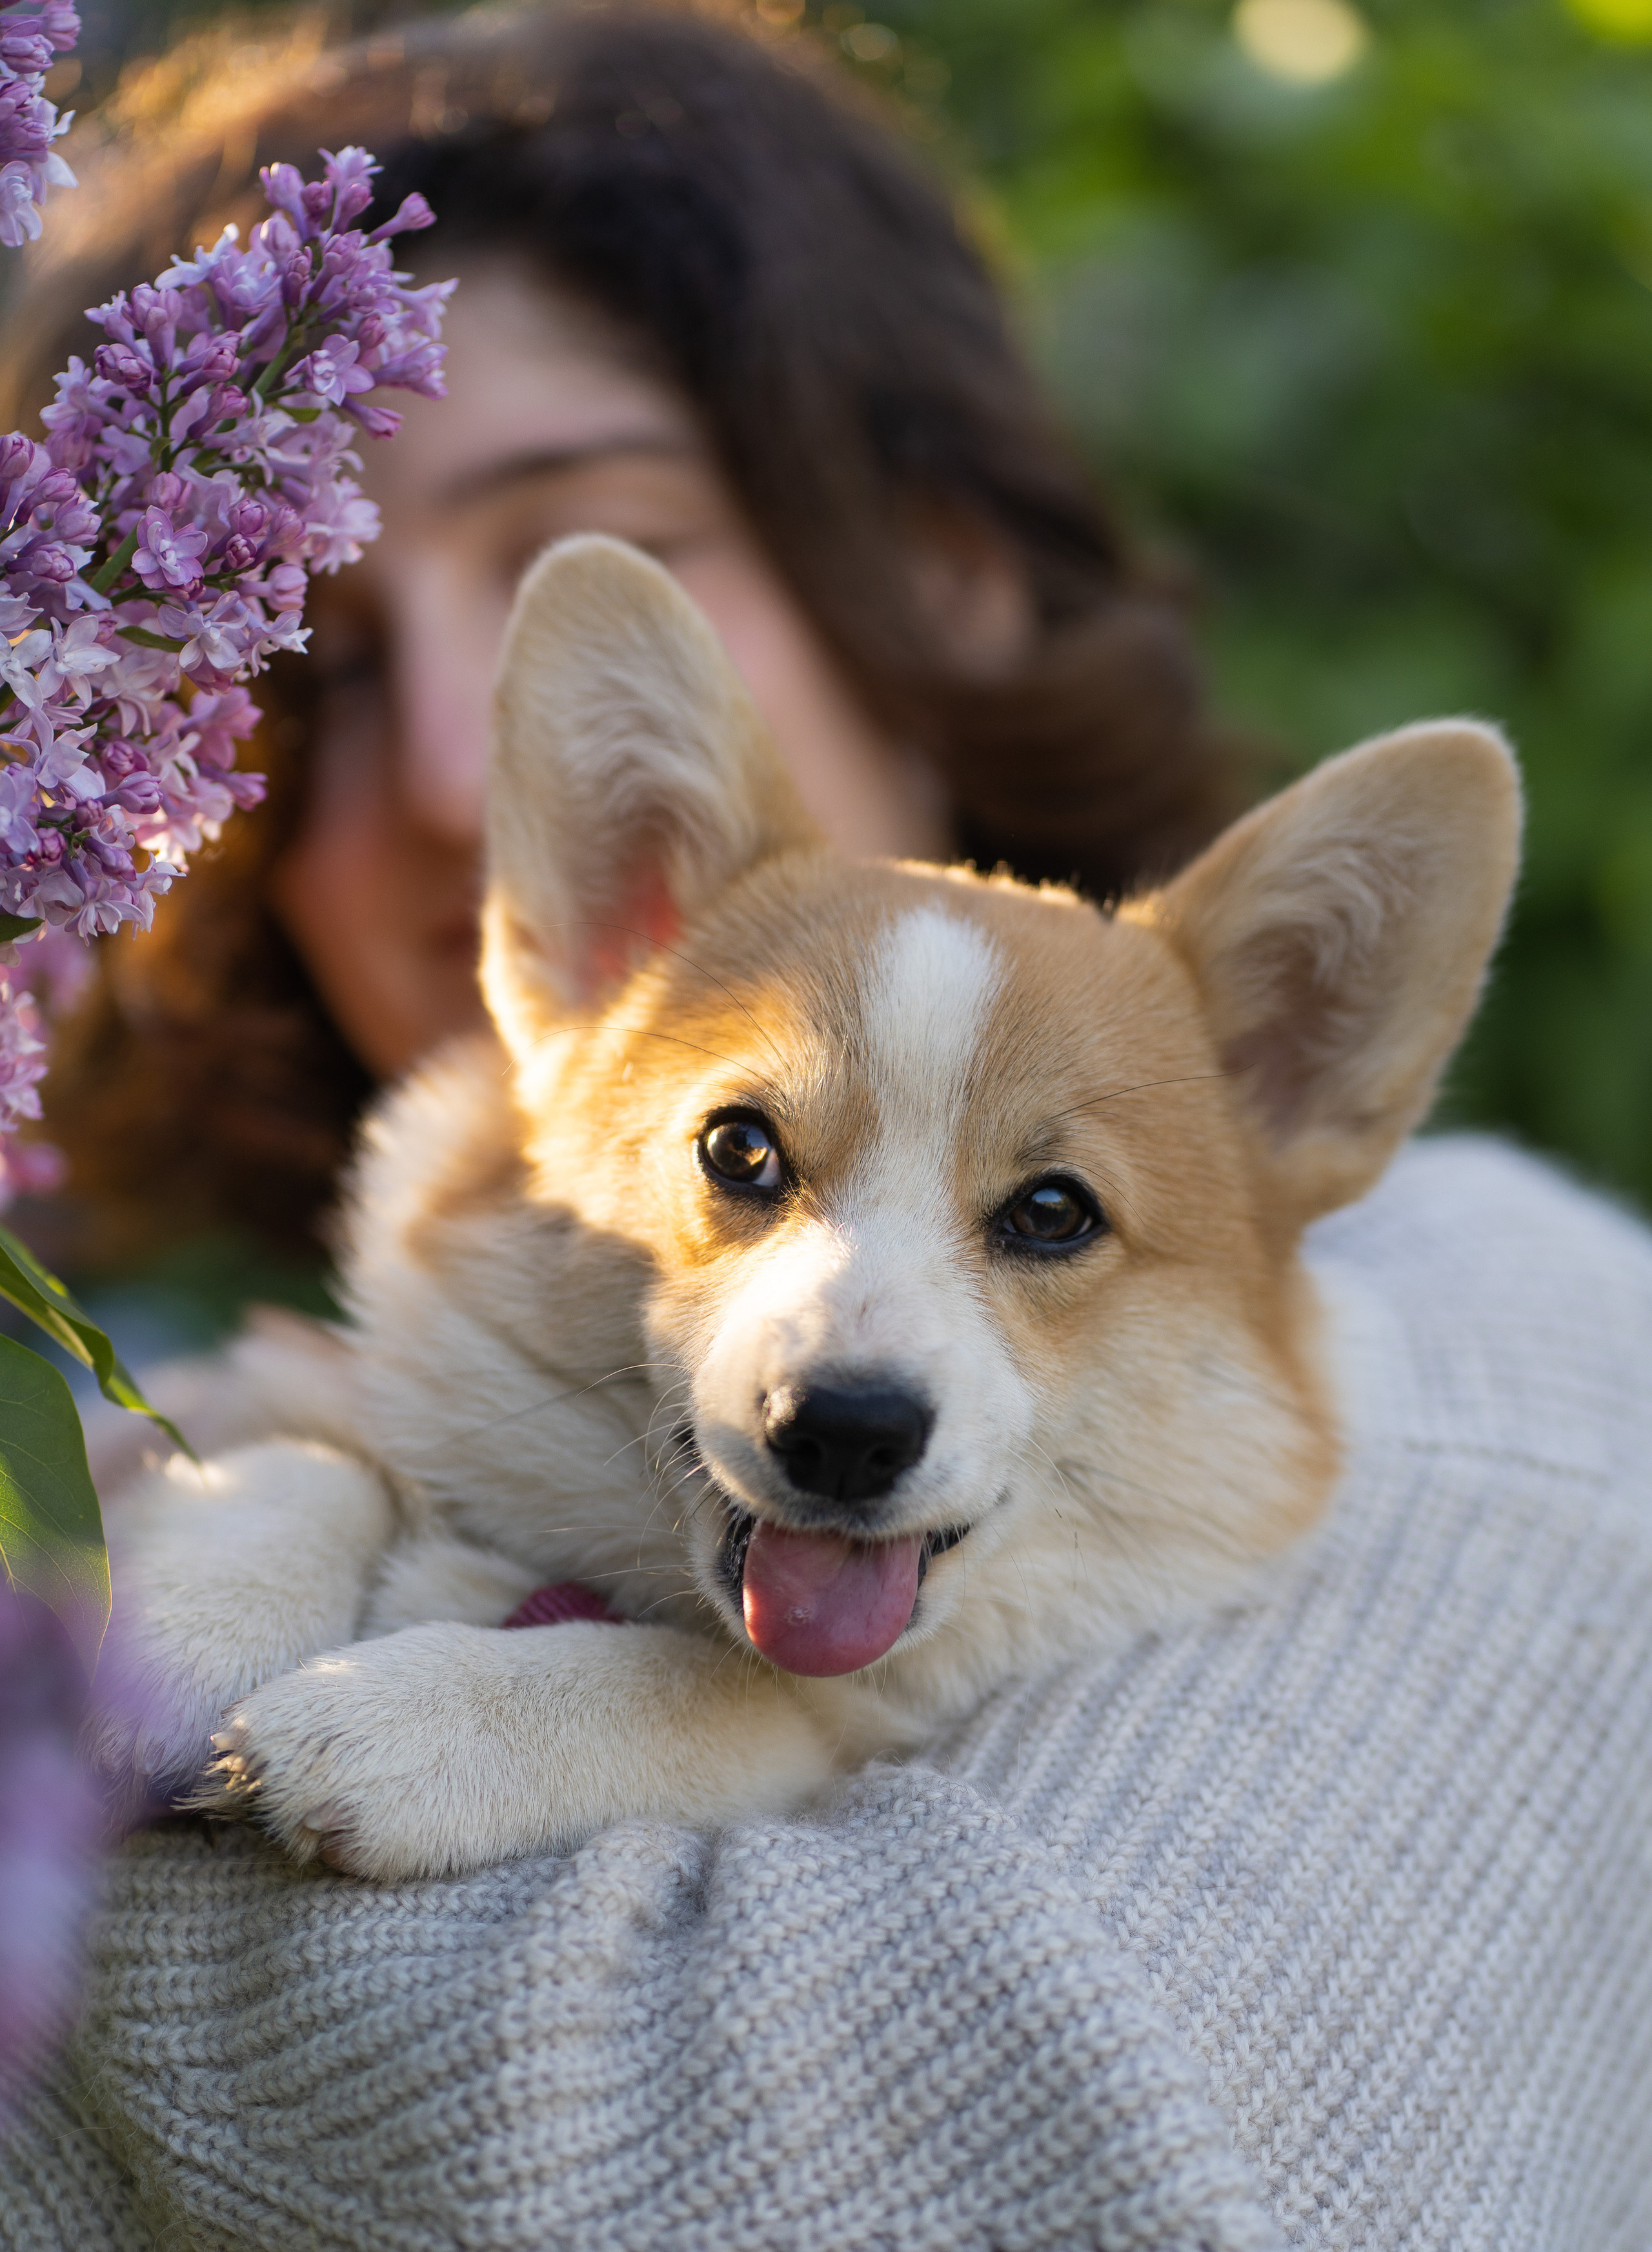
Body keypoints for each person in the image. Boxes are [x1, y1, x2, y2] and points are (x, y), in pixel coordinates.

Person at [4, 10, 1652, 2252]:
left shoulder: (1520, 1376)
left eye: (1051, 1219)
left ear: (942, 545)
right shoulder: (157, 1368)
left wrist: (109, 1796)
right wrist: (286, 1504)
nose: (456, 757)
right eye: (317, 651)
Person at [2, 0, 1228, 1303]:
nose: (448, 778)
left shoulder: (1416, 1385)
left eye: (584, 570)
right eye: (323, 672)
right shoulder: (131, 1470)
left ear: (942, 572)